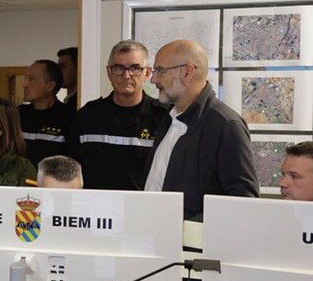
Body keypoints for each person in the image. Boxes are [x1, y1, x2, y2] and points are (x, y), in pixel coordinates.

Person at [143, 39, 259, 221]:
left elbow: (243, 200)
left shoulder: (226, 125)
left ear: (187, 72)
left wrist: (189, 228)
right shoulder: (168, 118)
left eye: (160, 71)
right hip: (155, 237)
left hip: (191, 246)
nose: (153, 79)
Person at [69, 40, 168, 190]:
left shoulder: (163, 119)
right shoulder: (86, 117)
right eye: (118, 68)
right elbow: (71, 172)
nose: (126, 75)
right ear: (109, 72)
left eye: (135, 68)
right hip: (94, 209)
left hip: (142, 209)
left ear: (147, 73)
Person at [18, 60, 72, 168]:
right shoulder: (18, 114)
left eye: (31, 79)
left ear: (50, 86)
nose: (24, 84)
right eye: (25, 78)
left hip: (51, 183)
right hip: (19, 183)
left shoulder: (69, 117)